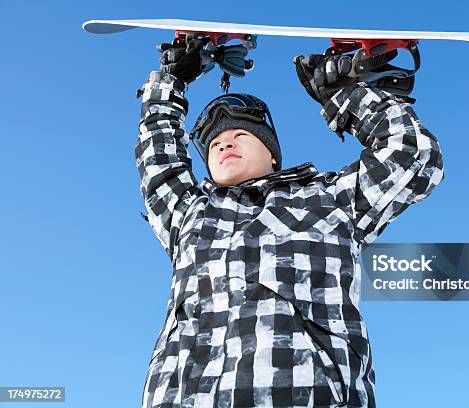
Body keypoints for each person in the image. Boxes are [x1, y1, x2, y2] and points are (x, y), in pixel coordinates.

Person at [135, 36, 444, 408]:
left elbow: (412, 155)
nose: (224, 144)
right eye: (214, 144)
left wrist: (346, 94)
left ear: (273, 155)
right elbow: (158, 157)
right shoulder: (190, 215)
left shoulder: (329, 200)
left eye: (240, 135)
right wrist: (171, 82)